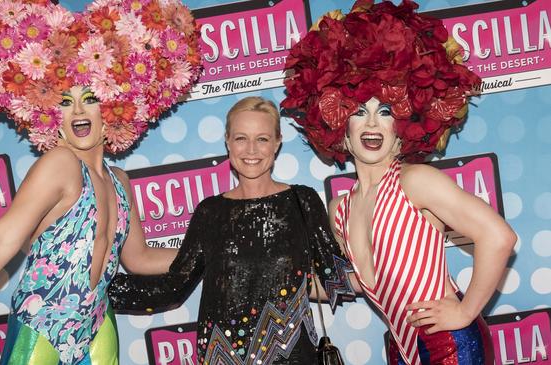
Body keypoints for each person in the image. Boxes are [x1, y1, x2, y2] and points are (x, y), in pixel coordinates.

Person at [0, 0, 202, 364]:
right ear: (48, 112)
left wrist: (213, 252)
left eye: (89, 98)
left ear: (113, 103)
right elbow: (3, 236)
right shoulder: (60, 164)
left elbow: (138, 258)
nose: (77, 111)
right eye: (65, 101)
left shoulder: (120, 181)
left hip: (98, 328)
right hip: (40, 327)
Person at [282, 1, 517, 365]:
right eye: (360, 111)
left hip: (449, 344)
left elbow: (500, 238)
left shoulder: (415, 180)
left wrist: (465, 311)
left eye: (386, 111)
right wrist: (278, 283)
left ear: (402, 128)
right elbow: (365, 282)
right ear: (339, 128)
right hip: (399, 347)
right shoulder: (339, 210)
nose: (373, 123)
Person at [109, 96, 356, 364]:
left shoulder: (302, 201)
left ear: (277, 142)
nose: (251, 150)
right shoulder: (210, 212)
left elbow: (336, 279)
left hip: (293, 356)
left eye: (262, 139)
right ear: (227, 141)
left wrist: (399, 287)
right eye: (241, 138)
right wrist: (97, 291)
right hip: (222, 356)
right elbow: (174, 287)